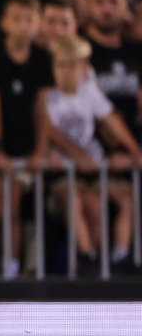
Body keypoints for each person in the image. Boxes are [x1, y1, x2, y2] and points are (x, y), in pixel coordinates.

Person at [45, 35, 142, 275]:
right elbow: (50, 132)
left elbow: (112, 120)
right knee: (79, 200)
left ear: (84, 67)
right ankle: (87, 257)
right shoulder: (46, 96)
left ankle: (118, 257)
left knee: (118, 198)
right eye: (62, 65)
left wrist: (135, 151)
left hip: (93, 168)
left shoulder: (88, 91)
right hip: (62, 170)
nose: (68, 72)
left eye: (73, 65)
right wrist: (78, 156)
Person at [0, 0, 52, 279]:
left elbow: (41, 109)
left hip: (25, 145)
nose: (22, 26)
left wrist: (39, 151)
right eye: (16, 19)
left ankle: (11, 270)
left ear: (37, 24)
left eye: (29, 19)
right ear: (4, 23)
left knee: (13, 208)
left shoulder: (42, 58)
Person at [84, 0, 142, 141]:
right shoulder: (80, 52)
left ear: (126, 5)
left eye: (114, 1)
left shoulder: (137, 51)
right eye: (99, 1)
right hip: (91, 147)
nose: (107, 8)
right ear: (88, 5)